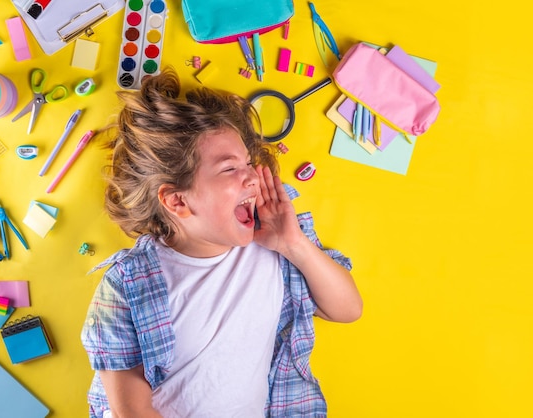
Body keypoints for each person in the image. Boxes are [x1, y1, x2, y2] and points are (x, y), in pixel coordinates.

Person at [81, 69, 362, 418]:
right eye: (229, 169)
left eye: (248, 163)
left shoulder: (275, 242)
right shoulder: (126, 285)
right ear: (178, 201)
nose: (251, 177)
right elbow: (132, 410)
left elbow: (347, 310)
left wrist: (294, 245)